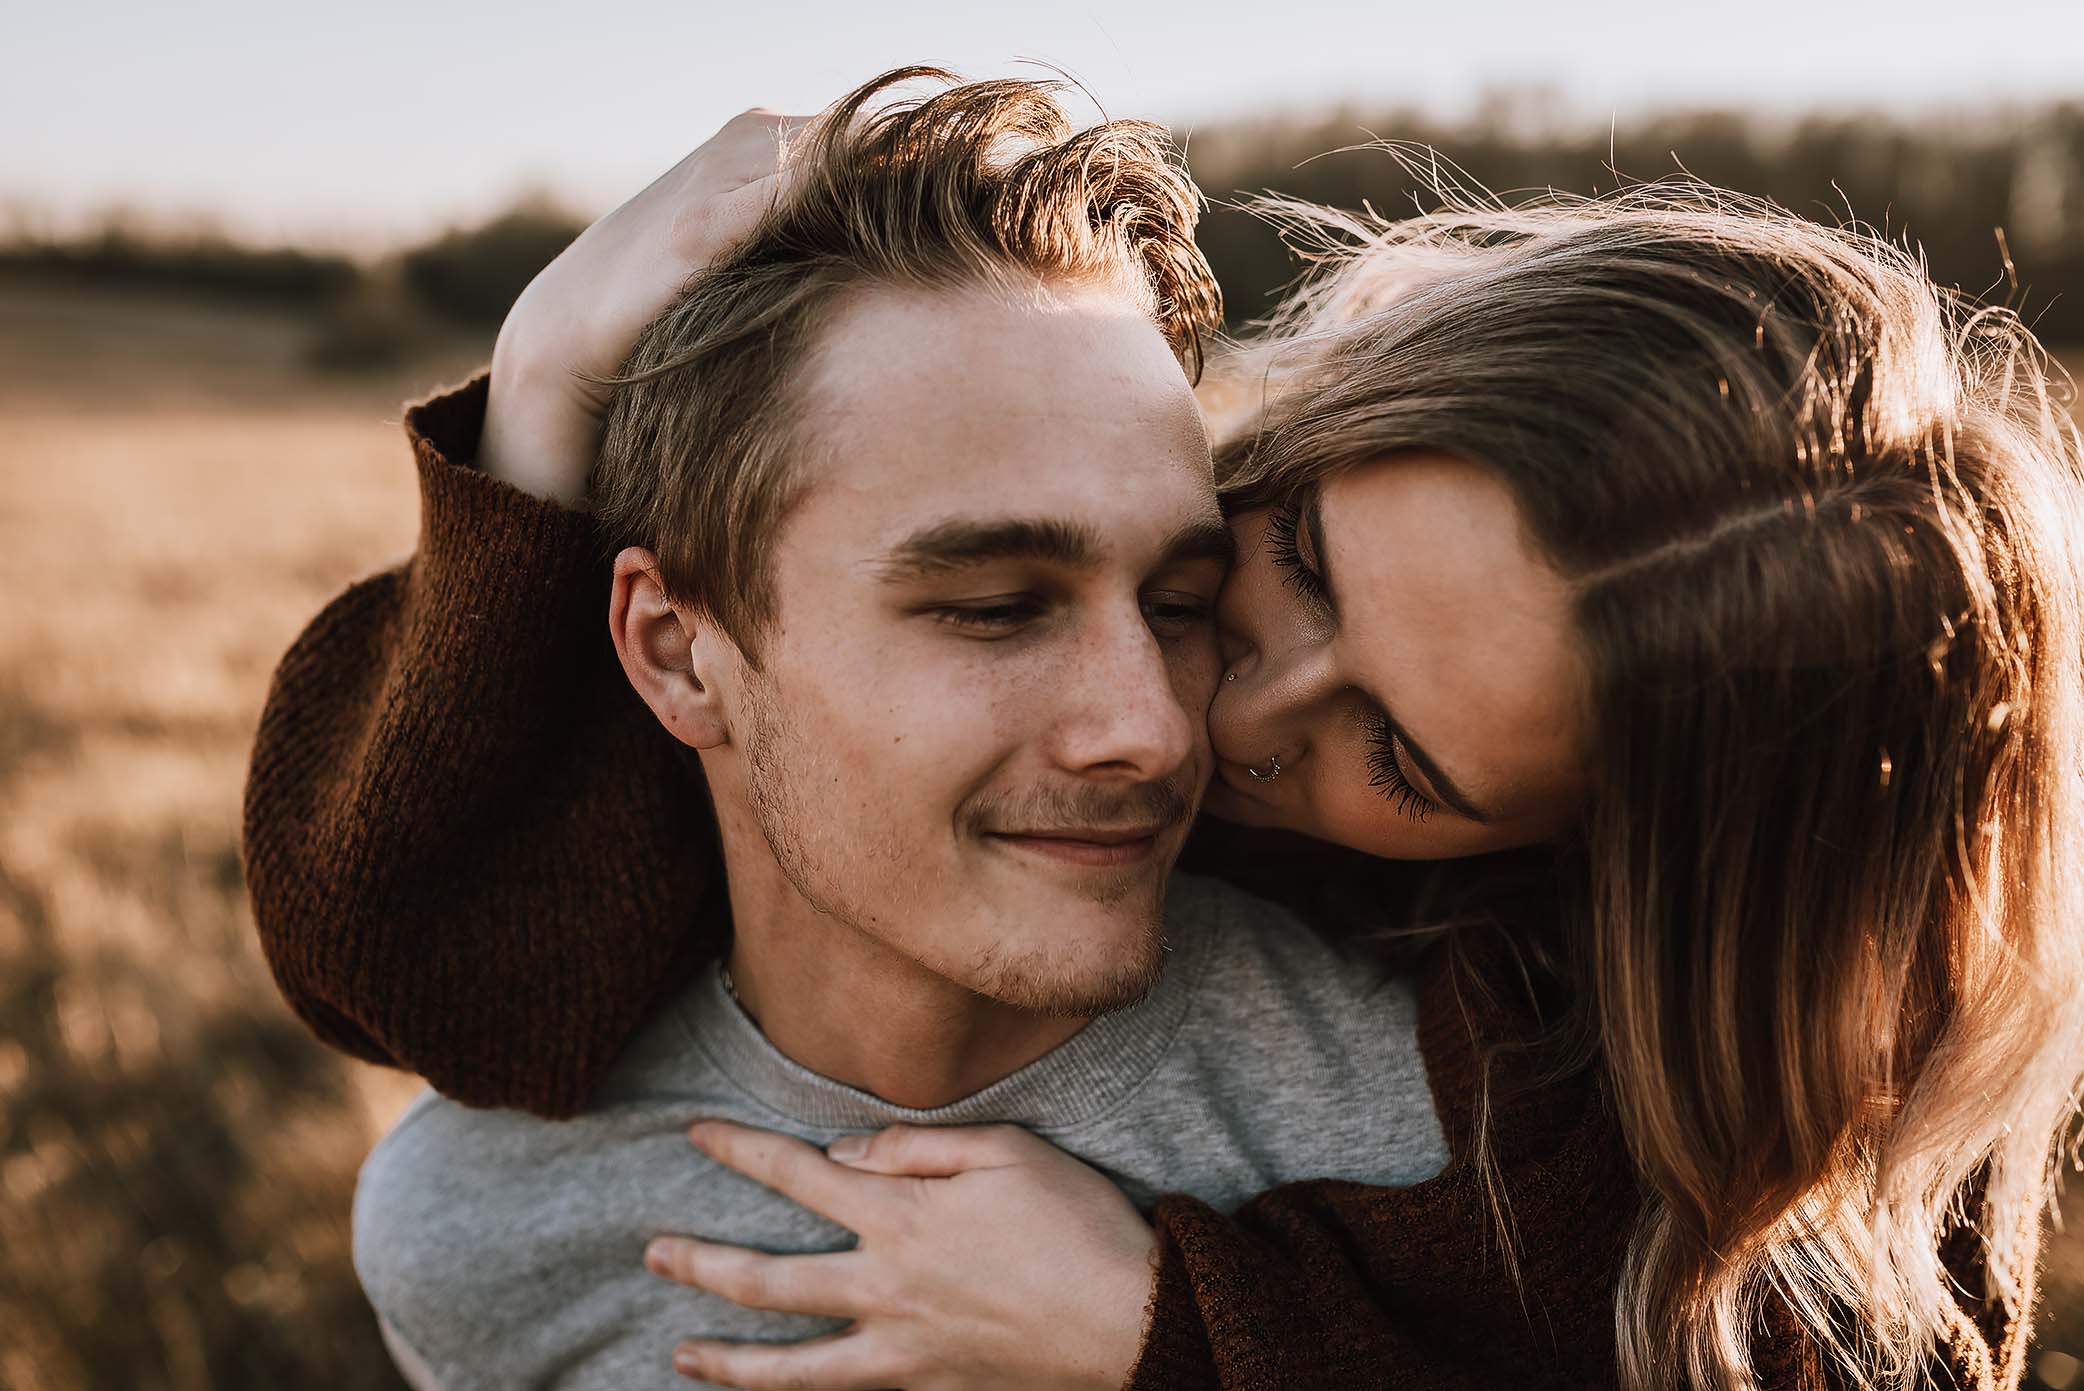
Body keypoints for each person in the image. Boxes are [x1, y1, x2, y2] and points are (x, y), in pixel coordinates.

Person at [240, 75, 2084, 1391]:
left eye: (1409, 760)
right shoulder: (489, 1220)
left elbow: (1827, 1327)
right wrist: (547, 391)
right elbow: (407, 937)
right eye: (1274, 567)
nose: (1185, 722)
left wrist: (1177, 1333)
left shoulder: (1524, 1115)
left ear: (1567, 846)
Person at [335, 68, 1472, 1391]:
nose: (1154, 730)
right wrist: (538, 382)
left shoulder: (1439, 1133)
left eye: (1181, 600)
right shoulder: (478, 1232)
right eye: (995, 609)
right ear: (675, 651)